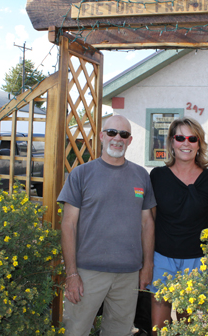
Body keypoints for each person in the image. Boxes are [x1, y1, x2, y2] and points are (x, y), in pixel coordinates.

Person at [58, 115, 156, 336]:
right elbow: (68, 225)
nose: (117, 138)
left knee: (119, 332)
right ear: (102, 136)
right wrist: (71, 273)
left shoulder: (141, 175)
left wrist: (147, 264)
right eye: (112, 133)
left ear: (130, 140)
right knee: (76, 331)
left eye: (123, 135)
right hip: (87, 273)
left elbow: (147, 222)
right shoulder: (81, 174)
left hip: (128, 273)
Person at [148, 117, 208, 334]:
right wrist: (146, 260)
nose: (186, 143)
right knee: (158, 328)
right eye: (180, 137)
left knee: (188, 327)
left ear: (199, 144)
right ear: (172, 142)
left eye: (192, 138)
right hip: (162, 257)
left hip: (196, 260)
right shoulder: (157, 176)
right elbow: (150, 221)